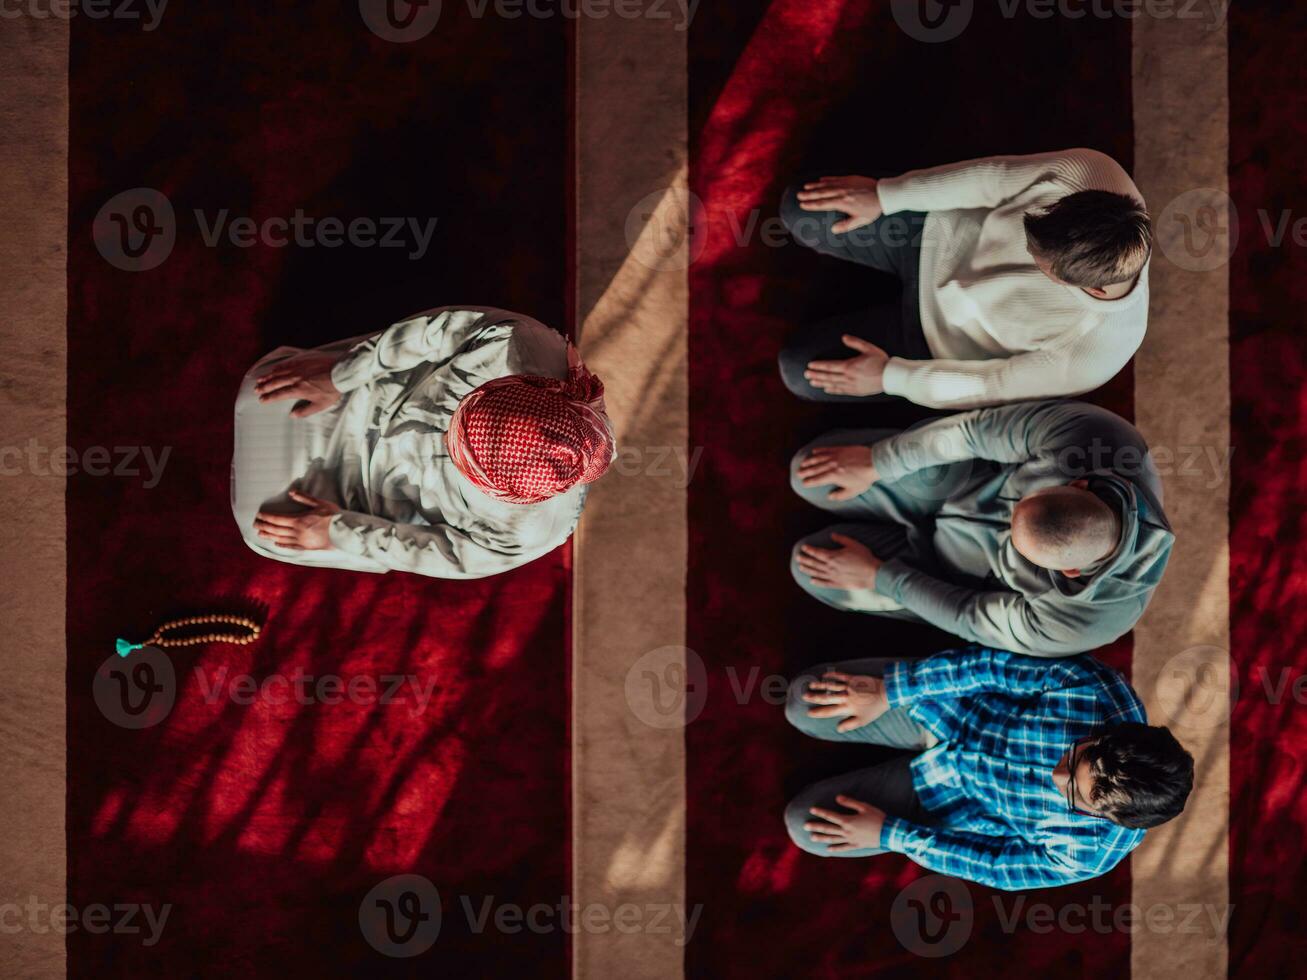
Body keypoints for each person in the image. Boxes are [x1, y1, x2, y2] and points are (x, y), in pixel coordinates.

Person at [230, 306, 614, 578]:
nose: (446, 438)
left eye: (458, 453)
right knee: (260, 389)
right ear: (522, 386)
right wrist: (339, 376)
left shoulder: (526, 533)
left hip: (378, 493)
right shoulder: (519, 344)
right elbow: (432, 332)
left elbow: (435, 554)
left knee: (259, 528)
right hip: (375, 399)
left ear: (506, 495)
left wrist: (336, 530)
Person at [783, 647, 1194, 891]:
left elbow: (995, 867)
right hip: (950, 708)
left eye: (1074, 796)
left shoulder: (1088, 855)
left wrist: (892, 834)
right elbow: (991, 668)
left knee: (804, 824)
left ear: (1109, 819)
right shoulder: (1098, 690)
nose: (1057, 776)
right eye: (1075, 755)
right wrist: (893, 690)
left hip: (948, 795)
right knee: (802, 701)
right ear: (1109, 736)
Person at [789, 399, 1172, 656]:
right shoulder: (1099, 439)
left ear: (1068, 571)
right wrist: (879, 462)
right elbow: (974, 432)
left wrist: (881, 577)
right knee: (807, 473)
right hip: (958, 483)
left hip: (948, 572)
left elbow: (970, 616)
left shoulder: (1089, 622)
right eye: (1020, 504)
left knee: (808, 569)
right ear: (1078, 483)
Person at [778, 148, 1151, 409]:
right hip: (937, 235)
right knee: (798, 207)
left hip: (934, 341)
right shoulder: (1091, 173)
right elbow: (993, 178)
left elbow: (992, 385)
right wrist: (885, 196)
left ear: (1092, 289)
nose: (1024, 249)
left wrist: (891, 378)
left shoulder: (1095, 354)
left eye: (1039, 264)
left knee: (798, 370)